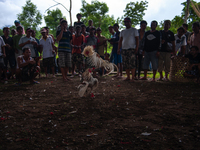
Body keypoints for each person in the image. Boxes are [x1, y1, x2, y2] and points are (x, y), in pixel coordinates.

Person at [118, 17, 139, 82]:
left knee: (132, 63)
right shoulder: (122, 31)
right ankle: (128, 77)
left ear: (130, 22)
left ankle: (132, 77)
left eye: (127, 22)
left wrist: (137, 47)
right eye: (125, 22)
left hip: (132, 49)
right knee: (125, 63)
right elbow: (120, 40)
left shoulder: (134, 30)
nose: (126, 23)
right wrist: (119, 48)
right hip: (124, 49)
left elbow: (137, 39)